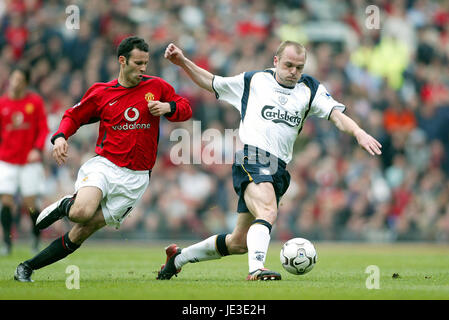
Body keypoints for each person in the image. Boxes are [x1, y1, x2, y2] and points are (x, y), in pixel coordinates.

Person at [157, 40, 382, 281]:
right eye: (288, 65)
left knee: (238, 243)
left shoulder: (310, 89)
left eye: (299, 67)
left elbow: (336, 115)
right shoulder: (254, 81)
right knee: (268, 210)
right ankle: (256, 269)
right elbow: (212, 82)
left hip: (278, 168)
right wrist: (183, 62)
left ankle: (177, 258)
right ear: (275, 61)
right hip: (251, 157)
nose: (294, 71)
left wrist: (359, 132)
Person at [14, 36, 192, 282]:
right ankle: (67, 205)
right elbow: (73, 116)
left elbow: (185, 107)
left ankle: (26, 267)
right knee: (81, 212)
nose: (143, 68)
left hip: (136, 178)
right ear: (122, 61)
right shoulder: (102, 92)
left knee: (81, 231)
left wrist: (168, 108)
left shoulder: (157, 87)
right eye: (138, 63)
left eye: (146, 63)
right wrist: (60, 137)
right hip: (105, 166)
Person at [0, 67, 49, 255]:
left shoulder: (34, 102)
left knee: (30, 203)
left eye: (20, 79)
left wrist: (37, 149)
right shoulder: (2, 103)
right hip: (7, 159)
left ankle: (36, 238)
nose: (15, 82)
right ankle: (6, 243)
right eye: (13, 78)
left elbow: (43, 128)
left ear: (26, 83)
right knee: (6, 201)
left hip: (29, 161)